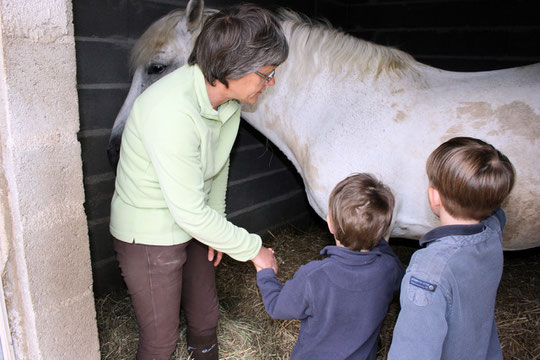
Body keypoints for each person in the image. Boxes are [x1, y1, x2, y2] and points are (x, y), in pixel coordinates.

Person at [109, 4, 288, 360]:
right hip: (148, 233)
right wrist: (254, 249)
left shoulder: (229, 104)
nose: (269, 84)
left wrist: (216, 226)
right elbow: (189, 210)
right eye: (265, 74)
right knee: (160, 341)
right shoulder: (173, 111)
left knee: (205, 318)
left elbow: (218, 168)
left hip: (192, 222)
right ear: (232, 69)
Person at [388, 137, 516, 360]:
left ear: (433, 196)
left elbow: (412, 352)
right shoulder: (493, 231)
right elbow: (498, 215)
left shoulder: (428, 272)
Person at [256, 173, 405, 359]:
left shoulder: (313, 276)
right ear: (383, 230)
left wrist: (266, 274)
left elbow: (278, 307)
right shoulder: (389, 269)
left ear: (330, 223)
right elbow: (401, 281)